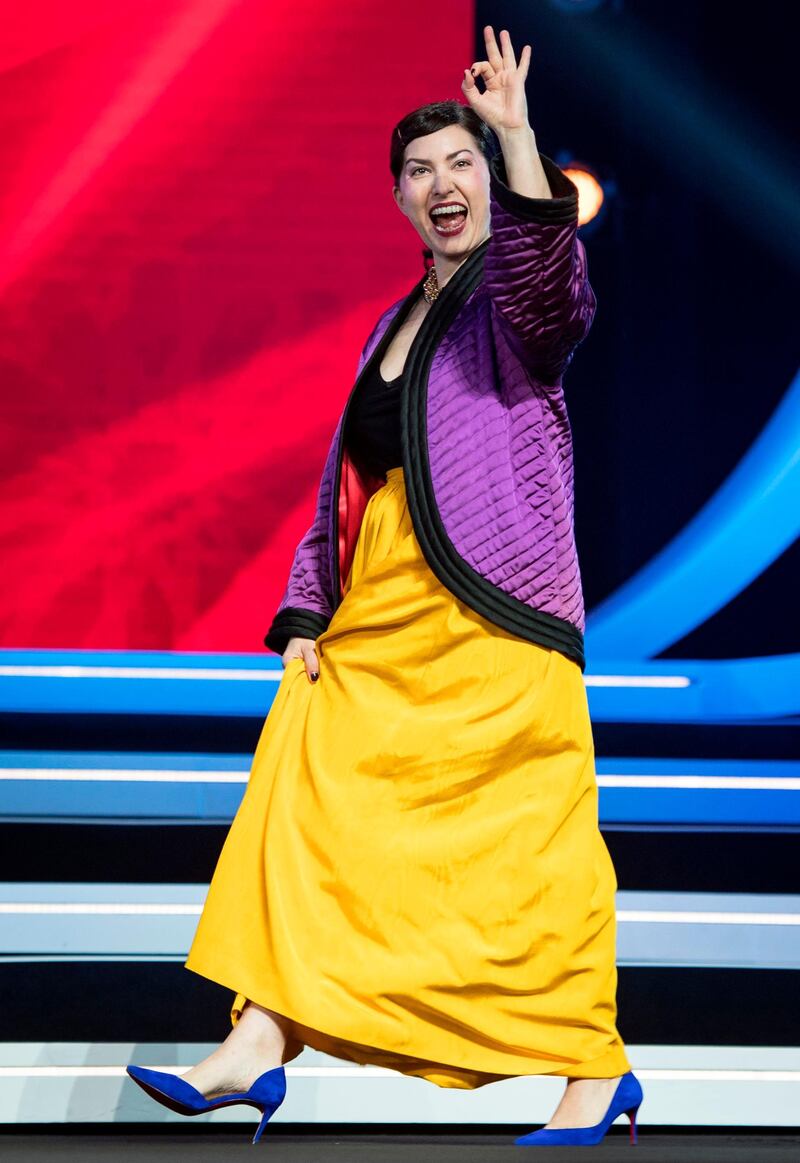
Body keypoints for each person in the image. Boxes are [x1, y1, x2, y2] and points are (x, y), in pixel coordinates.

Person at [127, 25, 643, 1148]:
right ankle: (258, 1037)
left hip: (495, 610)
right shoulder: (389, 324)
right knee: (300, 789)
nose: (440, 184)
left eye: (458, 164)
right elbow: (346, 485)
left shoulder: (515, 305)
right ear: (399, 200)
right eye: (420, 171)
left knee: (528, 849)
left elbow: (551, 288)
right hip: (382, 608)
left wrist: (514, 137)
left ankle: (590, 1069)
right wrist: (308, 608)